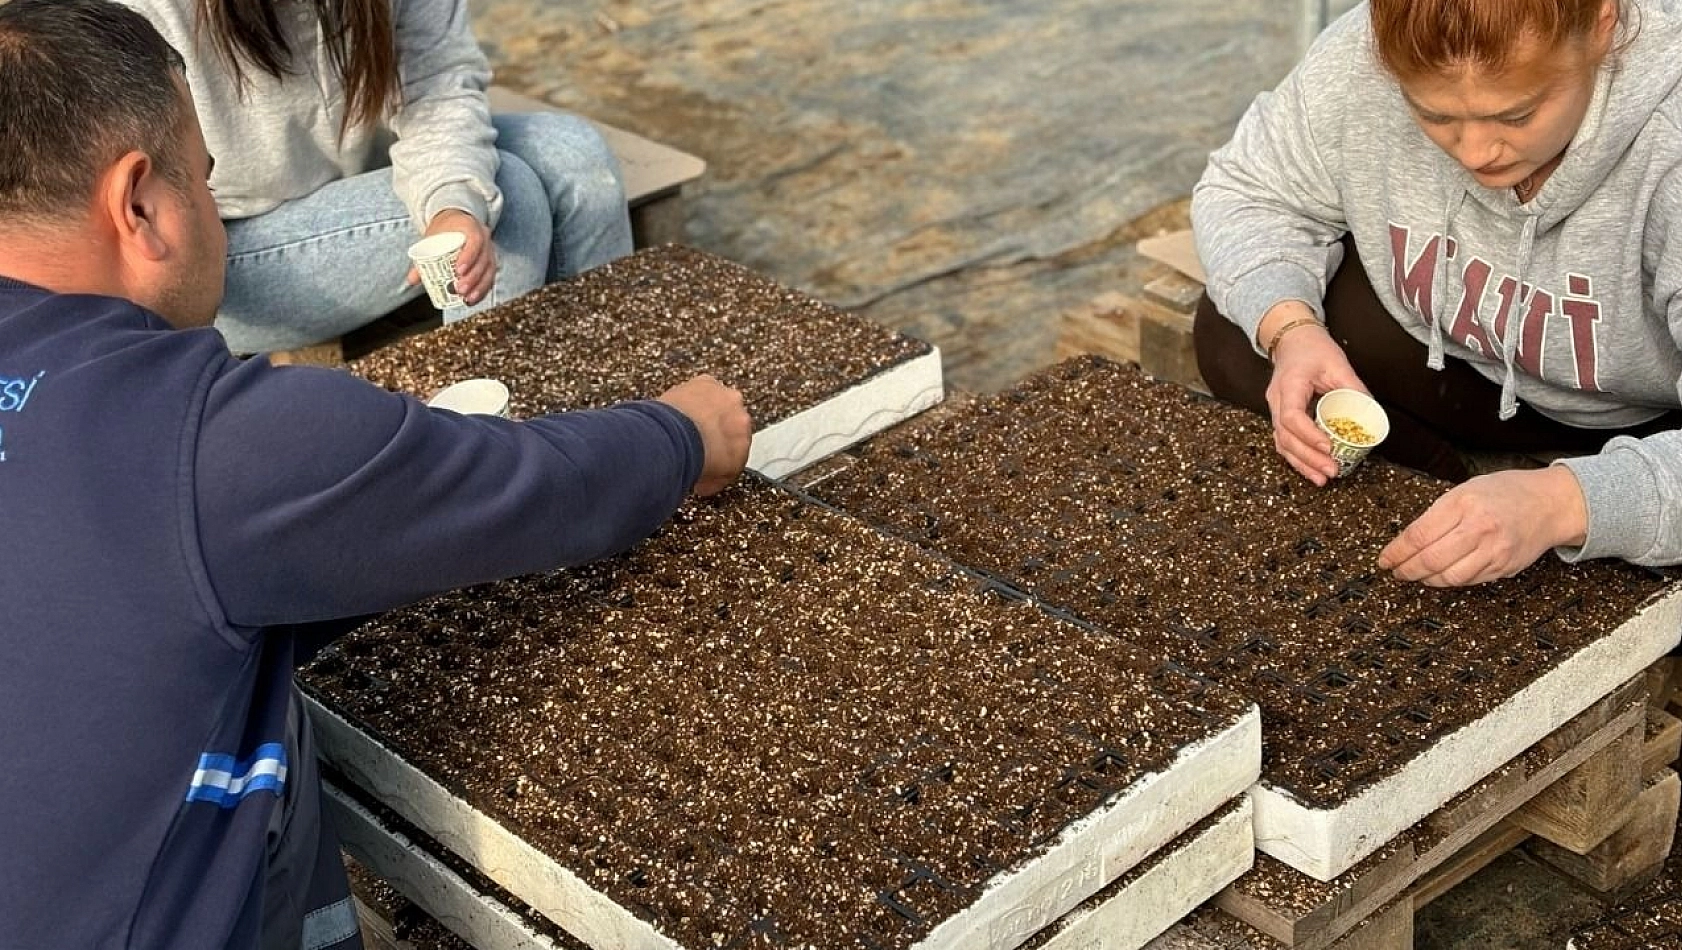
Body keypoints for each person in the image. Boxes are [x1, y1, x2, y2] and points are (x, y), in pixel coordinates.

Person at [0, 2, 750, 948]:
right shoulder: (217, 444)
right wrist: (682, 435)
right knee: (273, 728)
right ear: (141, 203)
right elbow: (524, 491)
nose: (210, 197)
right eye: (202, 176)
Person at [1191, 0, 1682, 588]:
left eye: (1517, 114)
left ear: (1602, 26)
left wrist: (1563, 503)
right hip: (1467, 364)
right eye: (1435, 114)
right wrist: (1292, 331)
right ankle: (1438, 489)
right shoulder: (1365, 55)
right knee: (1241, 327)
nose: (1475, 152)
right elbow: (1249, 190)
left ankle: (1554, 514)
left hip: (1648, 415)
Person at [115, 0, 636, 354]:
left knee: (577, 156)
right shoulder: (148, 13)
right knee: (514, 196)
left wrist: (451, 202)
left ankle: (613, 402)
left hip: (362, 180)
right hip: (225, 253)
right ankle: (495, 464)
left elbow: (438, 82)